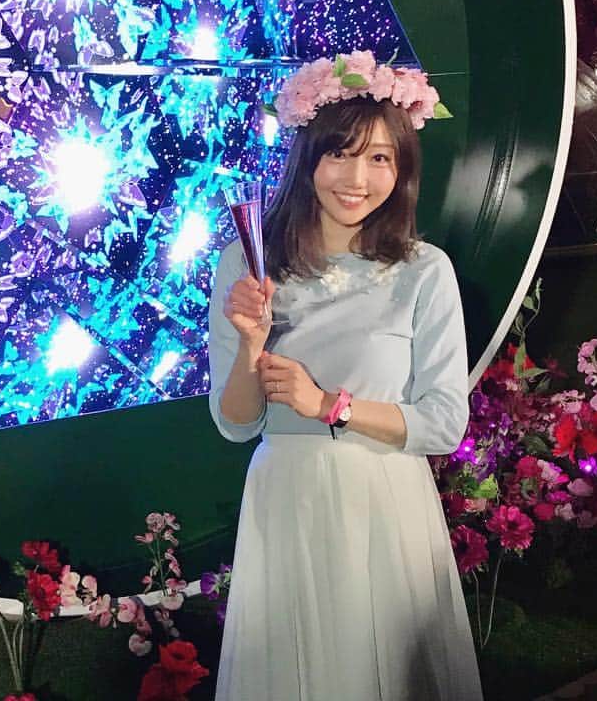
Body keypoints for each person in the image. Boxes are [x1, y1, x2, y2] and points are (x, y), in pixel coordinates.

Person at [207, 51, 483, 701]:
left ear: (402, 169)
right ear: (308, 158)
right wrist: (251, 344)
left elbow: (444, 423)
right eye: (340, 154)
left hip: (386, 500)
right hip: (287, 499)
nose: (358, 178)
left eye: (380, 157)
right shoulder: (248, 264)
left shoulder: (424, 270)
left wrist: (331, 405)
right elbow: (235, 424)